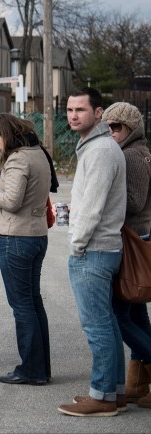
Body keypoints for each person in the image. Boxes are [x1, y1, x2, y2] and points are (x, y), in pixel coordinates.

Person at [57, 87, 127, 417]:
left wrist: (77, 244)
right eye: (70, 109)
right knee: (107, 324)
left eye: (81, 109)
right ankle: (114, 391)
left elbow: (93, 207)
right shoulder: (97, 147)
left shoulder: (99, 150)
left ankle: (102, 397)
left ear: (98, 113)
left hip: (94, 250)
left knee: (97, 326)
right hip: (103, 248)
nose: (73, 115)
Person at [0, 114, 57, 386]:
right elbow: (28, 191)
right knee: (33, 302)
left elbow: (11, 201)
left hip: (16, 238)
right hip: (37, 236)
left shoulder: (18, 158)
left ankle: (31, 369)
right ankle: (41, 367)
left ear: (7, 135)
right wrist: (0, 180)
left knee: (22, 306)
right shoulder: (38, 153)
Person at [102, 101, 151, 407]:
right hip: (138, 235)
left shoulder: (132, 155)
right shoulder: (137, 151)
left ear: (131, 129)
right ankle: (137, 385)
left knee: (119, 315)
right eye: (107, 127)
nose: (111, 132)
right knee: (135, 311)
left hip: (132, 238)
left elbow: (133, 202)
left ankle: (141, 372)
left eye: (116, 127)